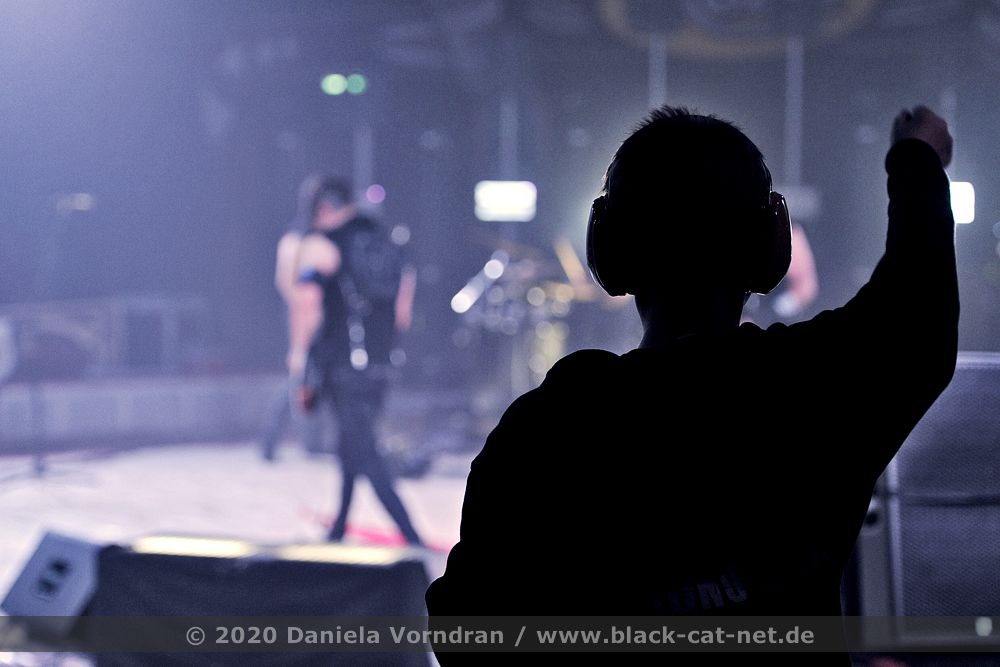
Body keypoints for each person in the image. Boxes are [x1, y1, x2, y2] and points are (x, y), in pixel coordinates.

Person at [426, 106, 957, 660]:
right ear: (769, 246)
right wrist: (917, 158)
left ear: (611, 248)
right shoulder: (814, 388)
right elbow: (917, 309)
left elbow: (467, 630)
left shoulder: (549, 427)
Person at [290, 177, 422, 545]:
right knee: (351, 446)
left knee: (364, 452)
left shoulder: (323, 246)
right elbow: (403, 311)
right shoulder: (388, 242)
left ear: (323, 208)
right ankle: (338, 529)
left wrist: (301, 358)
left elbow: (307, 305)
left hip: (341, 365)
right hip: (381, 364)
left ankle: (412, 537)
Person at [259, 175, 327, 461]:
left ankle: (307, 440)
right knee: (299, 376)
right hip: (305, 315)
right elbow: (286, 282)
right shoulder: (298, 240)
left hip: (315, 314)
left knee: (309, 376)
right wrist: (305, 311)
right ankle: (274, 440)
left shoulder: (311, 237)